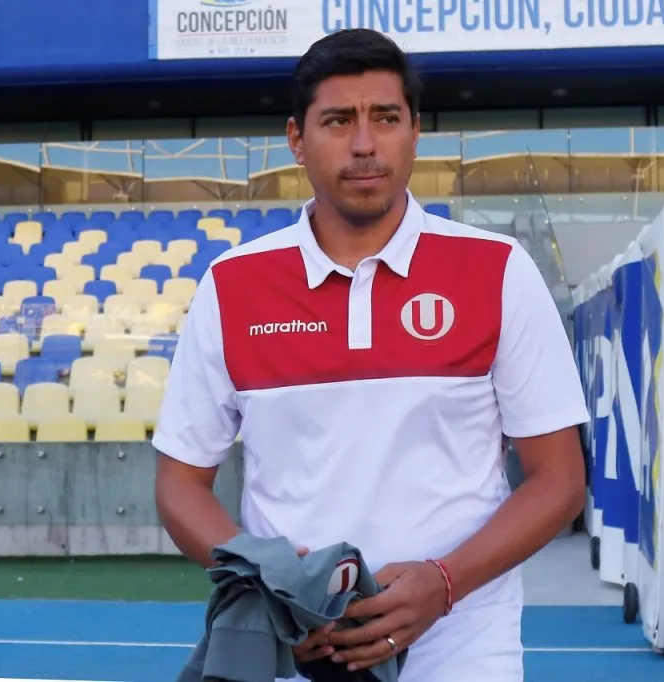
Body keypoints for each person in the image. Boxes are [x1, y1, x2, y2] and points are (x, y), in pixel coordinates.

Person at [152, 28, 589, 682]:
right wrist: (276, 593)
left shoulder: (498, 271)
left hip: (463, 653)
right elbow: (180, 484)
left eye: (385, 118)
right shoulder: (232, 284)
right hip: (295, 657)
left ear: (415, 131)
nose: (364, 144)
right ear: (296, 139)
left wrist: (444, 584)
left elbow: (559, 480)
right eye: (337, 121)